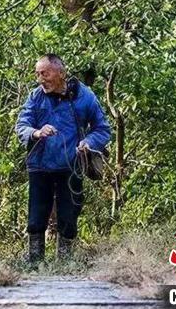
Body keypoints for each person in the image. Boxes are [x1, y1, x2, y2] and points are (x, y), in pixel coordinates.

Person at [16, 54, 111, 263]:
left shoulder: (85, 97)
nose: (41, 79)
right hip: (39, 165)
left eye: (45, 73)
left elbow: (103, 129)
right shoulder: (35, 96)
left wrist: (89, 142)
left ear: (61, 73)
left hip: (71, 166)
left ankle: (64, 263)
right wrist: (36, 132)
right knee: (36, 215)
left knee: (69, 215)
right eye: (38, 74)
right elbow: (21, 125)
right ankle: (34, 261)